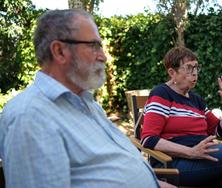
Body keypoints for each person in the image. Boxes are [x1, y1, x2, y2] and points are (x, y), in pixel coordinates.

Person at [0, 9, 176, 188]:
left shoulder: (85, 102)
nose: (104, 56)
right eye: (94, 46)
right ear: (59, 51)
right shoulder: (30, 117)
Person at [141, 46, 222, 187]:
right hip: (175, 162)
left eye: (196, 67)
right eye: (189, 68)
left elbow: (219, 131)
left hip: (203, 158)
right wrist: (191, 152)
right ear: (172, 72)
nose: (195, 73)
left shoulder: (197, 100)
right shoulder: (162, 94)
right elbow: (148, 139)